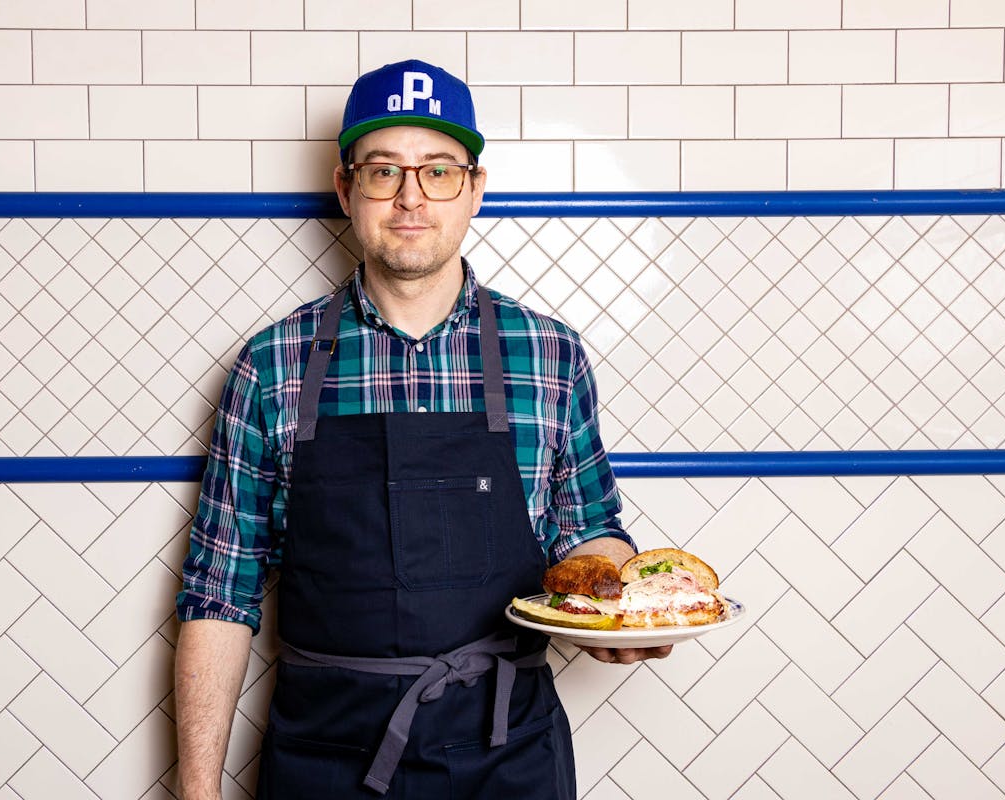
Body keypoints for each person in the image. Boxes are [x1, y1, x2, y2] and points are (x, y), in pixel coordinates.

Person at [174, 59, 671, 800]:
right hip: (324, 761)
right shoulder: (272, 365)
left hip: (507, 757)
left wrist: (623, 605)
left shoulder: (549, 354)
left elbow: (588, 531)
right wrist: (197, 791)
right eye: (384, 172)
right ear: (347, 189)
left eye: (438, 171)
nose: (411, 198)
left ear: (474, 188)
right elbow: (220, 594)